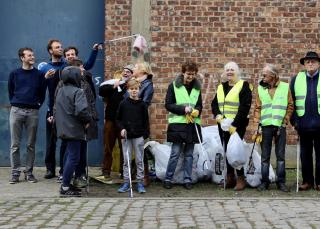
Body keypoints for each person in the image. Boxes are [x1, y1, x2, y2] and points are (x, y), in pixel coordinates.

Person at [8, 47, 49, 184]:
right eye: (29, 55)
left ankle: (29, 172)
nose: (32, 57)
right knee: (15, 145)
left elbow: (42, 92)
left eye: (33, 55)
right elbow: (11, 91)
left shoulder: (38, 75)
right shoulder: (14, 74)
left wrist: (37, 105)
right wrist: (16, 102)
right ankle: (15, 173)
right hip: (16, 110)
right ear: (22, 58)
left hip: (33, 112)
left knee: (31, 144)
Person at [55, 58, 99, 187]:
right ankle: (65, 186)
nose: (82, 74)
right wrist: (88, 121)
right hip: (75, 129)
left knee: (69, 155)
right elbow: (81, 111)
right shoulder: (78, 91)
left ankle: (66, 183)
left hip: (64, 127)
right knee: (74, 157)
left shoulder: (61, 90)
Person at [211, 61, 252, 191]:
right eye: (227, 69)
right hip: (223, 124)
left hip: (236, 126)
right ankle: (230, 177)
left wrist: (235, 124)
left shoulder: (243, 86)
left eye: (232, 70)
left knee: (235, 150)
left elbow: (245, 107)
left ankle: (240, 178)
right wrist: (217, 115)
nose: (229, 72)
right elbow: (214, 103)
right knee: (225, 150)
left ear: (237, 72)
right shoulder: (221, 87)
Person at [253, 64, 293, 192]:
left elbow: (290, 106)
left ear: (273, 76)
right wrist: (256, 124)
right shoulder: (260, 88)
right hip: (265, 126)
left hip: (280, 125)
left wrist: (285, 121)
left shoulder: (285, 87)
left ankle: (281, 182)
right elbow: (257, 108)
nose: (262, 77)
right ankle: (265, 182)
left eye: (265, 74)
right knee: (265, 156)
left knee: (280, 156)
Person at [163, 61, 202, 190]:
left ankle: (187, 179)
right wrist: (184, 109)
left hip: (192, 125)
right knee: (175, 153)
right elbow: (168, 104)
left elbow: (199, 105)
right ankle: (168, 178)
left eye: (193, 74)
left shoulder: (197, 88)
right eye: (188, 74)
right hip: (177, 125)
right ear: (183, 73)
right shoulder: (173, 86)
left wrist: (197, 111)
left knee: (189, 155)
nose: (190, 76)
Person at [290, 51, 320, 191]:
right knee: (305, 156)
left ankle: (319, 182)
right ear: (304, 64)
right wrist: (294, 121)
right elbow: (291, 102)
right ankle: (307, 181)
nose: (310, 63)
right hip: (303, 124)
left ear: (318, 64)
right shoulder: (297, 79)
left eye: (313, 61)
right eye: (307, 61)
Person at [99, 65, 133, 181]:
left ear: (132, 74)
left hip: (124, 122)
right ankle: (106, 171)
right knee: (108, 146)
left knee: (125, 148)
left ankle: (124, 172)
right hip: (111, 120)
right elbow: (101, 91)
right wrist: (114, 86)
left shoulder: (133, 86)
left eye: (128, 72)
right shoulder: (114, 83)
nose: (125, 73)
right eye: (124, 71)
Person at [116, 77, 149, 194]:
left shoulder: (142, 105)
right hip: (126, 136)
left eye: (136, 89)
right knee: (126, 160)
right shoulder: (123, 104)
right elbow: (118, 119)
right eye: (131, 89)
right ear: (128, 90)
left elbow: (146, 121)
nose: (134, 91)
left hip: (138, 136)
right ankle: (126, 181)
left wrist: (145, 134)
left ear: (139, 89)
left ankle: (140, 182)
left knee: (139, 160)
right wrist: (122, 129)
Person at [132, 62, 154, 185]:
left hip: (140, 120)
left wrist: (133, 103)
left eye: (135, 67)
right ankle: (134, 174)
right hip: (130, 118)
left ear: (142, 71)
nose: (133, 69)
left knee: (141, 148)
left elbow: (145, 103)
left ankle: (145, 176)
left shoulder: (148, 85)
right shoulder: (135, 83)